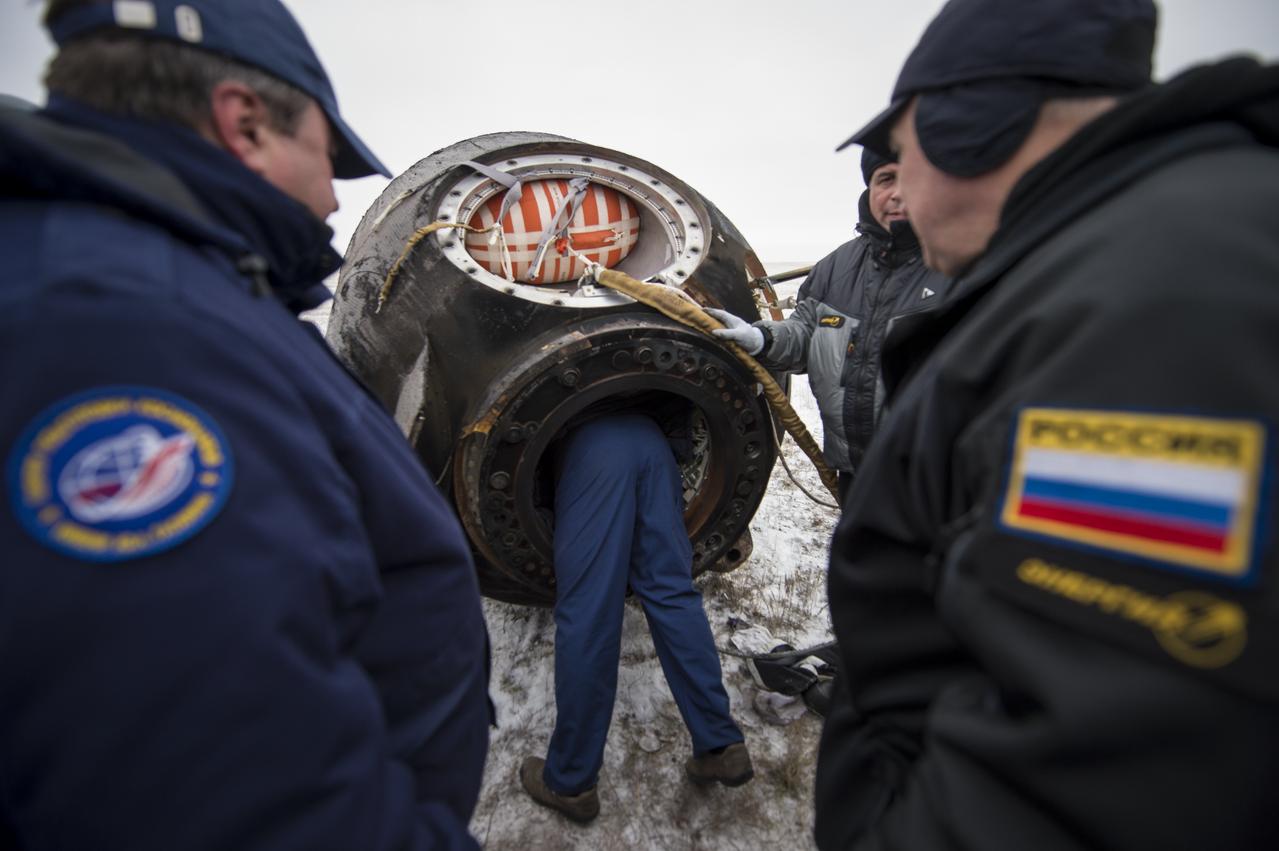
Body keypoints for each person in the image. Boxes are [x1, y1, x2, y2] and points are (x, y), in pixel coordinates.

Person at [0, 2, 490, 849]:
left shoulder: (162, 283)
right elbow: (219, 787)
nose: (334, 193)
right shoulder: (125, 329)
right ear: (246, 122)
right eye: (328, 154)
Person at [814, 0, 1279, 849]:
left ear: (967, 122)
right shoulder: (1131, 255)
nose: (900, 192)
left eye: (902, 154)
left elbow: (1090, 771)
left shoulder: (1153, 307)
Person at [519, 411, 752, 823]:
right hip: (652, 441)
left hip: (591, 449)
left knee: (589, 613)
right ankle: (720, 744)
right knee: (672, 592)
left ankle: (571, 780)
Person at [707, 149, 949, 505]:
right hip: (856, 472)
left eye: (911, 178)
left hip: (941, 479)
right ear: (869, 190)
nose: (897, 193)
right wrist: (762, 338)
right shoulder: (836, 267)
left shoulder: (965, 266)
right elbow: (805, 334)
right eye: (885, 179)